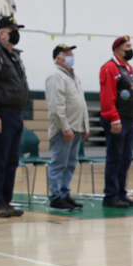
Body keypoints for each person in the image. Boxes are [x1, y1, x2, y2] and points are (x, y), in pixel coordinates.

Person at [0, 16, 30, 218]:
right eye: (12, 29)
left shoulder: (15, 55)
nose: (16, 32)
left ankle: (5, 201)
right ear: (2, 33)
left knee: (12, 161)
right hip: (1, 115)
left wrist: (20, 113)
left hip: (15, 115)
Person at [99, 36, 133, 208]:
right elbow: (107, 96)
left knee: (125, 158)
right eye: (127, 46)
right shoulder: (110, 68)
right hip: (117, 119)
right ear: (117, 49)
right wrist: (114, 118)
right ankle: (110, 196)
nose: (130, 48)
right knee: (115, 158)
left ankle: (121, 193)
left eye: (131, 45)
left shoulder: (129, 69)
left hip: (129, 119)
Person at [45, 44, 88, 210]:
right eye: (67, 54)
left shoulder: (74, 77)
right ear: (58, 58)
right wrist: (65, 128)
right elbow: (56, 106)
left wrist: (85, 126)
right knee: (59, 163)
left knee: (70, 164)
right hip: (64, 130)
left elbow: (81, 103)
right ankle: (55, 197)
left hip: (76, 127)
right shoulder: (56, 76)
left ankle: (64, 194)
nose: (71, 56)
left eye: (72, 53)